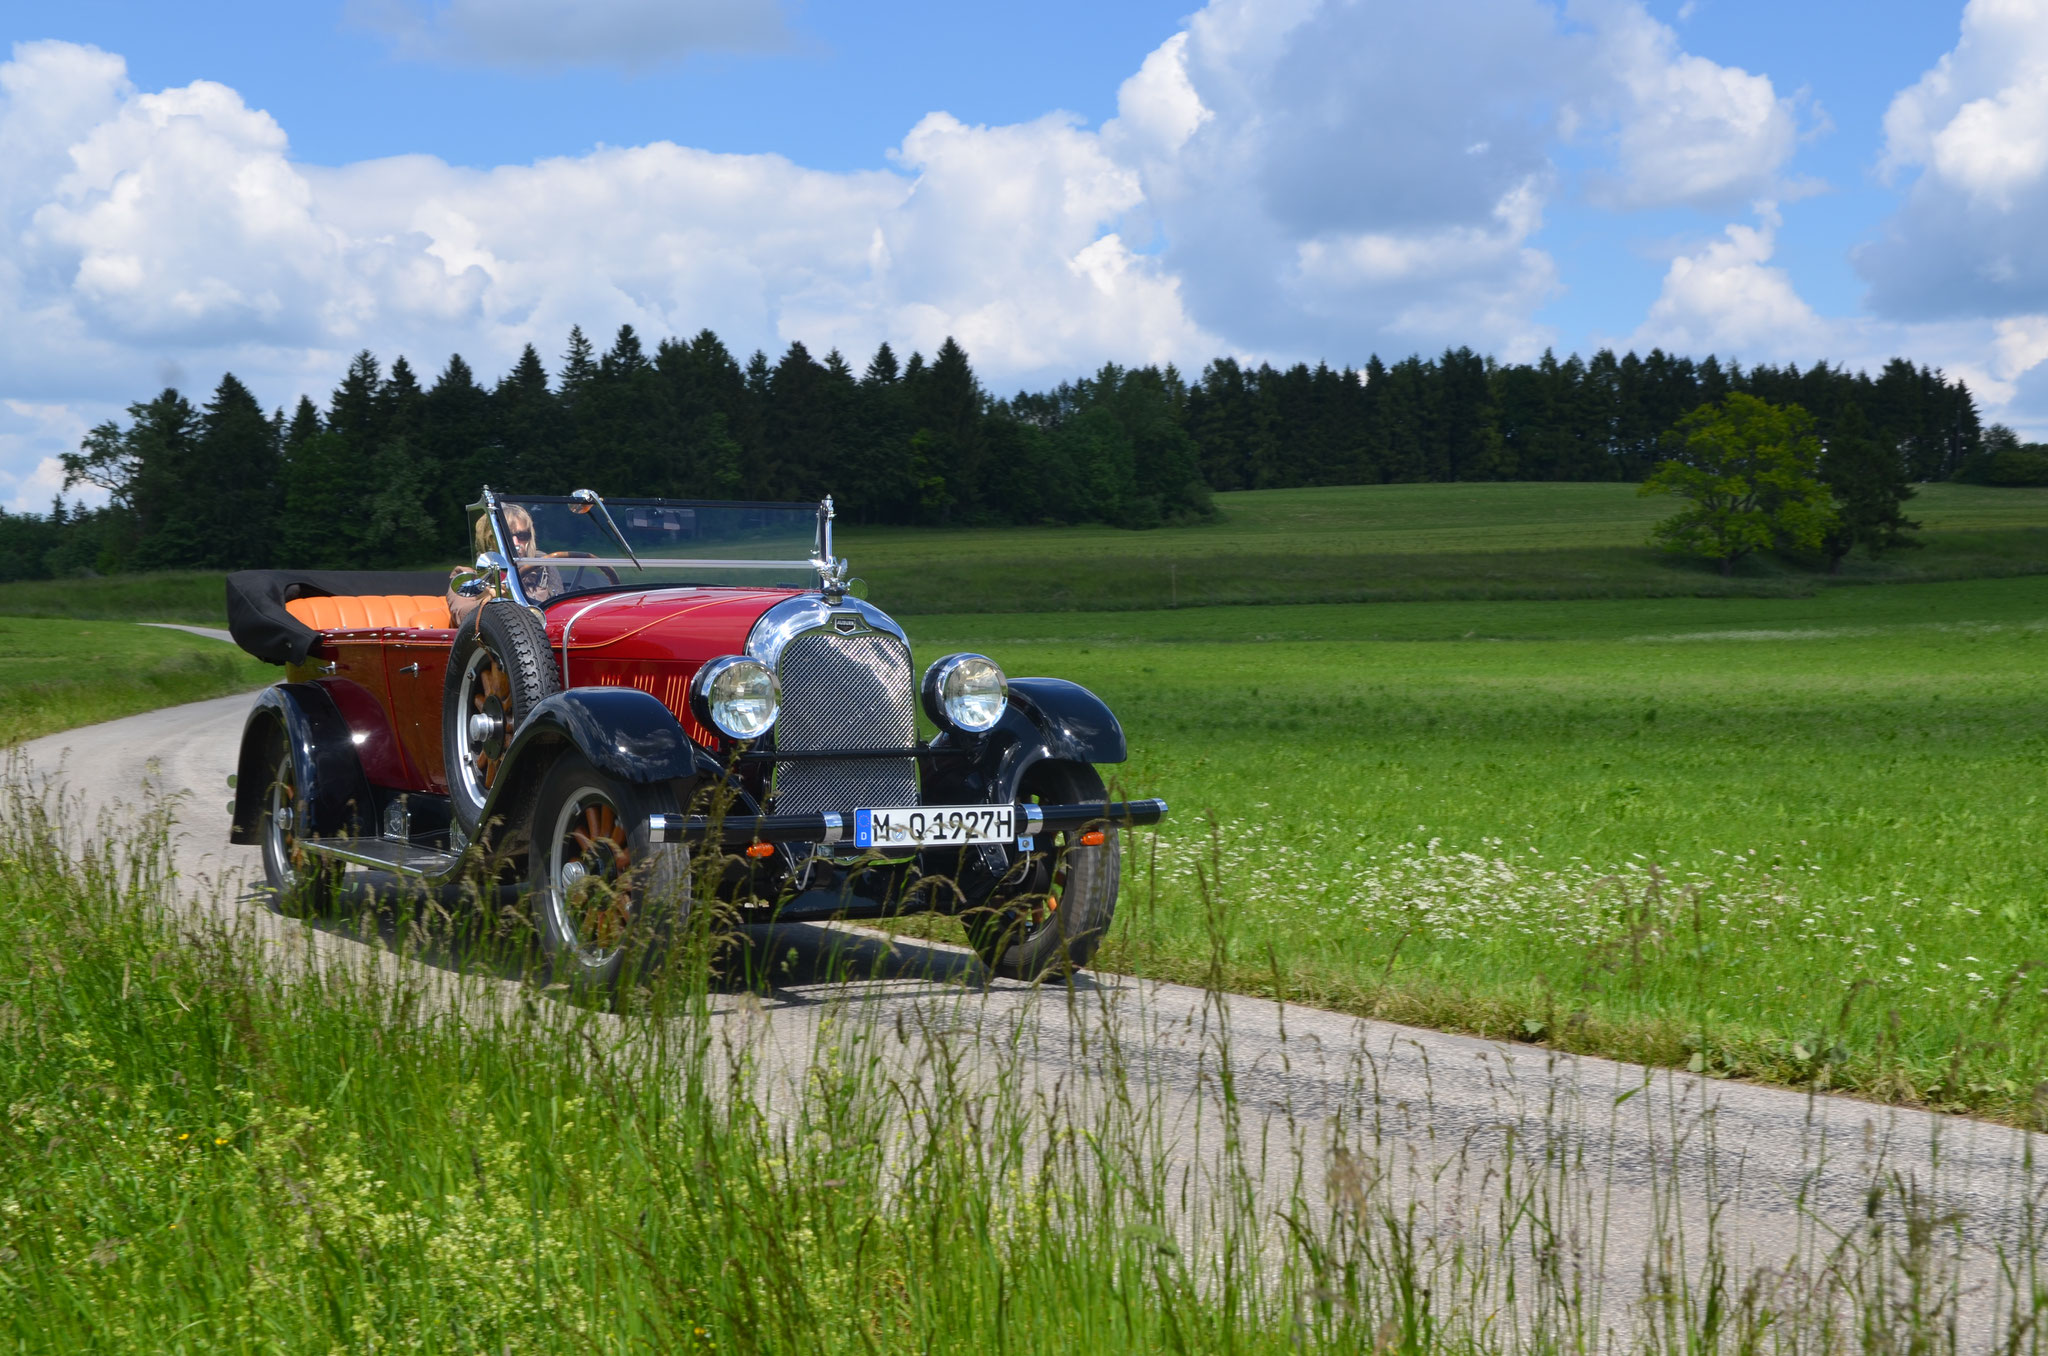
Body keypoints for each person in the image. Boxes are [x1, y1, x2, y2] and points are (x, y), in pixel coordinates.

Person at [448, 502, 564, 627]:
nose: (515, 543)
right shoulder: (468, 576)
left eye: (522, 536)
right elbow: (461, 615)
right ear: (489, 540)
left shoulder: (543, 565)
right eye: (506, 536)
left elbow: (562, 608)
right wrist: (490, 601)